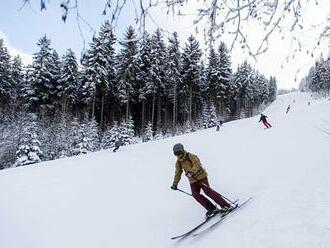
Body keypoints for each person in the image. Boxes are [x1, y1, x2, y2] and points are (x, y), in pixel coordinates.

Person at [170, 143, 231, 218]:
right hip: (192, 180)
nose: (178, 155)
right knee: (195, 194)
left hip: (201, 177)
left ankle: (225, 205)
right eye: (175, 154)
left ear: (182, 151)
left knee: (208, 192)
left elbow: (197, 164)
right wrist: (175, 184)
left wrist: (192, 171)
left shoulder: (190, 156)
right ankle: (211, 208)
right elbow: (178, 173)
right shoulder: (178, 162)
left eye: (179, 153)